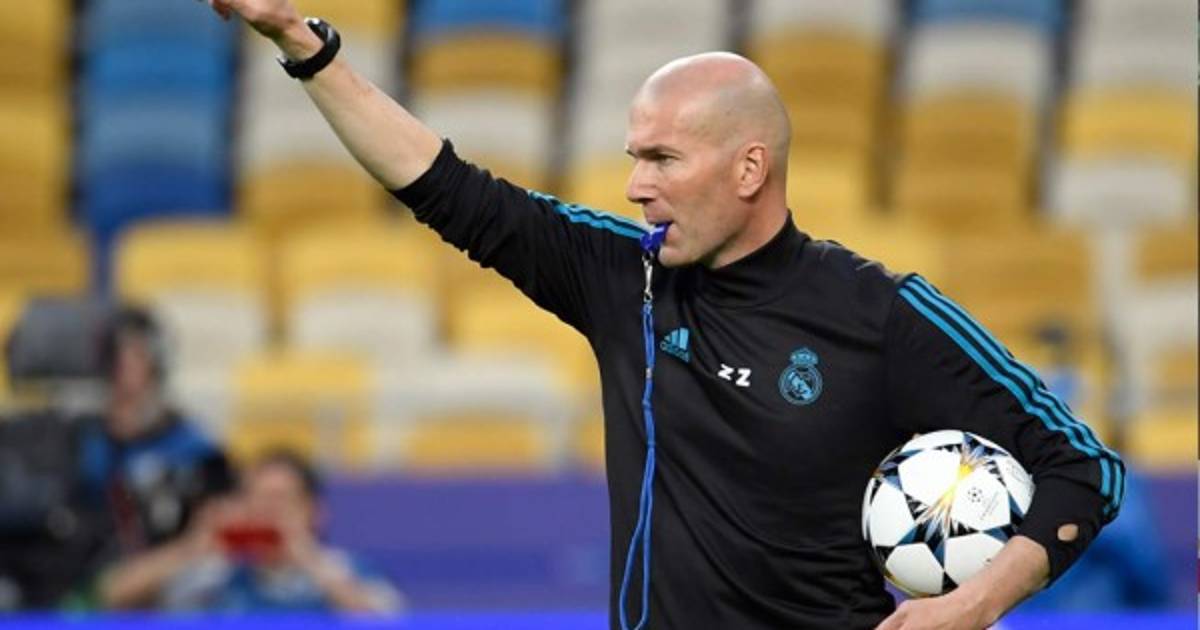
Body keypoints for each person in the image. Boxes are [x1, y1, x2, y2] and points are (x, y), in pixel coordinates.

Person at [202, 2, 1126, 628]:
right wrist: (303, 43)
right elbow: (445, 186)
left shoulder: (880, 313)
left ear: (749, 168)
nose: (636, 186)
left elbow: (1085, 469)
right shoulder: (624, 277)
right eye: (634, 157)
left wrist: (972, 603)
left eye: (662, 159)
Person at [98, 448, 402, 613]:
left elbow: (389, 619)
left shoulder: (344, 570)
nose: (266, 511)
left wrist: (307, 560)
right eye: (255, 499)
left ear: (314, 512)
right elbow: (112, 598)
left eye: (279, 499)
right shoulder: (217, 576)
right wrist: (191, 548)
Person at [71, 306, 234, 603]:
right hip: (94, 577)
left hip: (175, 581)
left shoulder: (194, 447)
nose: (124, 367)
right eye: (116, 356)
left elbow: (215, 528)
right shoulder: (82, 441)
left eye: (137, 355)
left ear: (158, 361)